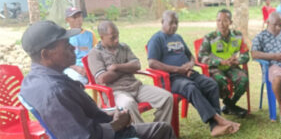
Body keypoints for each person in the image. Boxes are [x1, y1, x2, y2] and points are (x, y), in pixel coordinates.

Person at [19, 20, 176, 139]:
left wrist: (109, 113)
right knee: (162, 130)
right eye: (67, 45)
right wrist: (116, 125)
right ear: (46, 54)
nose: (73, 48)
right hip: (105, 133)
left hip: (101, 125)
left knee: (162, 124)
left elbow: (79, 117)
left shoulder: (33, 80)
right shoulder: (54, 93)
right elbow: (82, 136)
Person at [147, 10, 240, 137]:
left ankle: (215, 127)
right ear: (162, 22)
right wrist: (177, 69)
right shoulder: (156, 39)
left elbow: (191, 57)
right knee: (191, 88)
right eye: (171, 23)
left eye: (176, 23)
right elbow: (152, 63)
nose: (174, 26)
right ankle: (219, 120)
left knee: (211, 84)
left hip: (188, 73)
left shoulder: (177, 37)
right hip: (172, 79)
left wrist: (190, 65)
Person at [88, 21, 173, 124]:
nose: (116, 40)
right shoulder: (95, 54)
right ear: (102, 37)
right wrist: (127, 68)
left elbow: (137, 65)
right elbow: (103, 78)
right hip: (115, 92)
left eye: (117, 36)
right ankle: (142, 133)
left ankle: (158, 132)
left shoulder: (124, 47)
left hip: (136, 87)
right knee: (128, 104)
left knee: (167, 97)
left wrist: (116, 67)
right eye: (112, 38)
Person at [198, 9, 249, 118]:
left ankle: (230, 104)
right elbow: (201, 57)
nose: (221, 24)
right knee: (220, 80)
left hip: (232, 67)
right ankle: (231, 106)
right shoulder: (210, 37)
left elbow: (245, 55)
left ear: (230, 22)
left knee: (244, 79)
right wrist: (219, 61)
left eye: (225, 20)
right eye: (218, 20)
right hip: (216, 68)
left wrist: (238, 61)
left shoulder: (238, 35)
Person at [63, 7, 97, 84]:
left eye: (80, 16)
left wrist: (89, 67)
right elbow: (62, 59)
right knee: (74, 79)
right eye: (75, 17)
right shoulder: (64, 36)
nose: (78, 19)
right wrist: (76, 68)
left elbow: (96, 52)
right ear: (67, 20)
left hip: (90, 66)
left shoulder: (90, 34)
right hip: (72, 67)